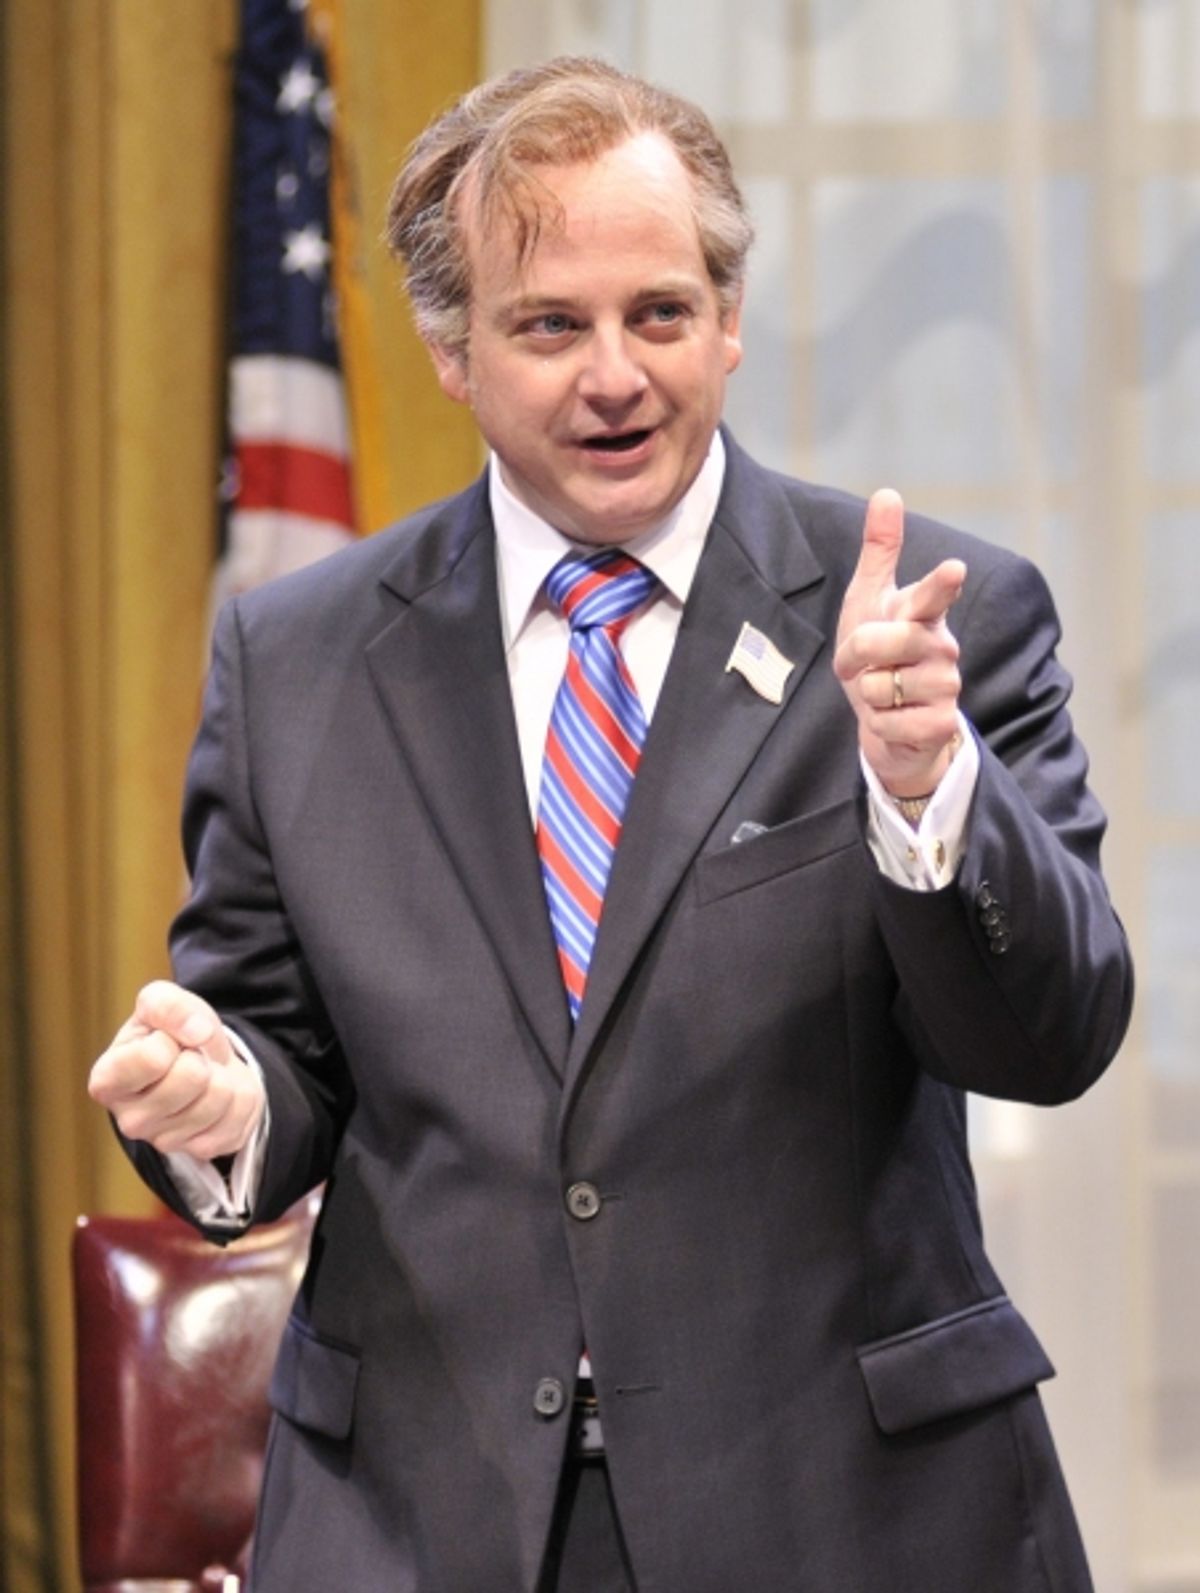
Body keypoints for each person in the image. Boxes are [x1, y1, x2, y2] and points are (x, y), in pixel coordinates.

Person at [89, 55, 1133, 1593]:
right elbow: (273, 1049)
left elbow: (1049, 1038)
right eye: (549, 326)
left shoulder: (916, 622)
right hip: (424, 1518)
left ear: (725, 317)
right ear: (452, 351)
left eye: (657, 313)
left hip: (849, 1514)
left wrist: (926, 792)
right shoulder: (295, 657)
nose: (615, 374)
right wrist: (223, 1107)